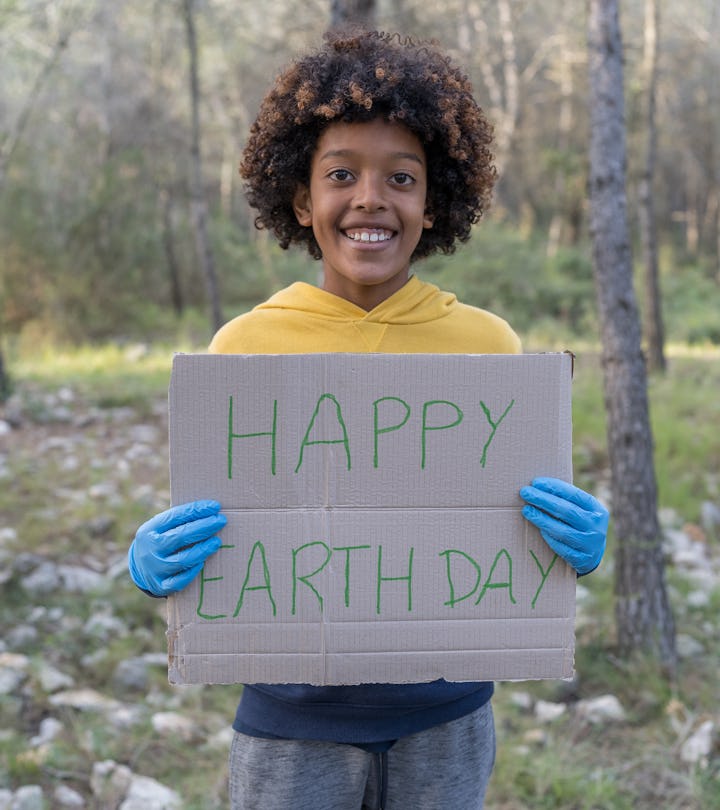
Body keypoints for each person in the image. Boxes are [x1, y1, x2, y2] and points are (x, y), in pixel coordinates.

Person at [128, 30, 609, 810]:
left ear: (432, 203)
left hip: (446, 722)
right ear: (299, 197)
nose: (370, 199)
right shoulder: (243, 346)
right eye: (340, 174)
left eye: (402, 178)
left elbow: (517, 529)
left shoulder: (491, 348)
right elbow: (220, 522)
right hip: (289, 729)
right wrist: (158, 560)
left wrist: (574, 554)